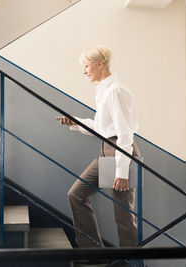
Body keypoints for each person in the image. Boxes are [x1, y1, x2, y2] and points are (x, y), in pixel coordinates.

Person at [58, 45, 140, 250]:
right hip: (107, 150)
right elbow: (103, 128)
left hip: (122, 152)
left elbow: (124, 133)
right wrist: (75, 122)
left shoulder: (116, 91)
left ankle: (133, 265)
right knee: (76, 195)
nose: (84, 71)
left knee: (123, 215)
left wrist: (122, 171)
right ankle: (93, 252)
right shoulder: (104, 89)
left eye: (86, 66)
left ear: (100, 64)